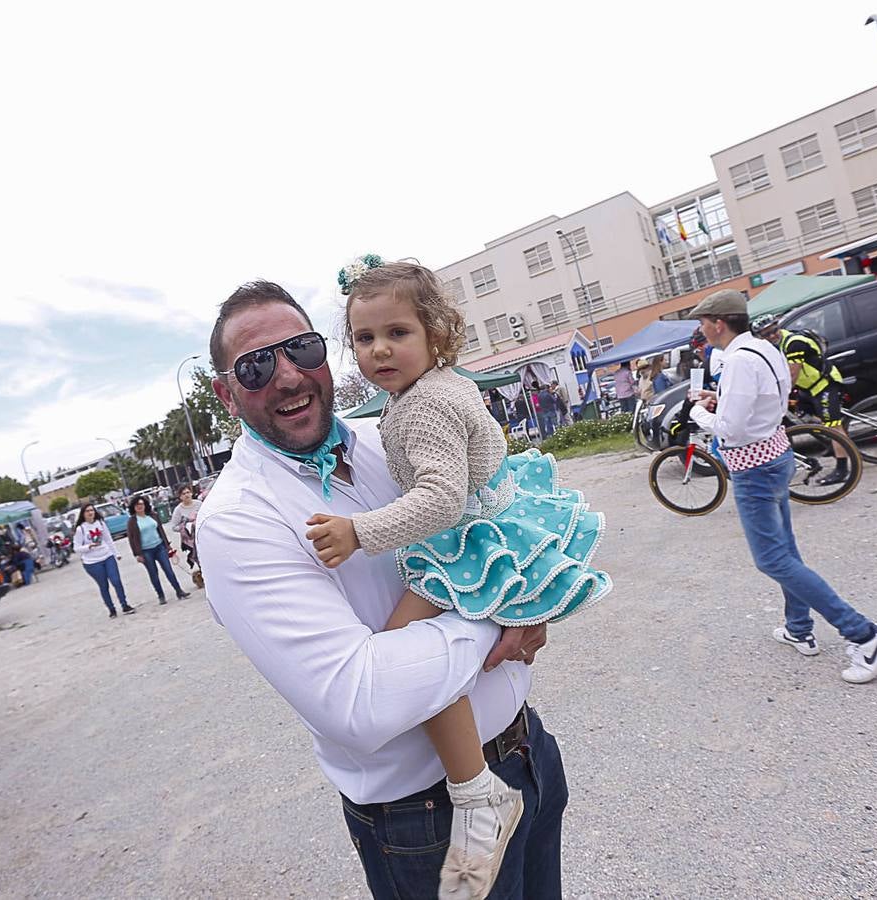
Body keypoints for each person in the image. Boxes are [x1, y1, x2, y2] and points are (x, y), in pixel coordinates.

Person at [199, 279, 570, 900]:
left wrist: (532, 605)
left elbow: (481, 515)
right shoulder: (237, 520)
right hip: (426, 821)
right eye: (257, 364)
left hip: (528, 754)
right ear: (226, 394)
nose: (288, 375)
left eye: (303, 349)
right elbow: (357, 697)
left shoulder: (389, 435)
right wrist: (497, 612)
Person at [305, 258, 610, 895]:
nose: (380, 350)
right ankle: (478, 794)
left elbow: (440, 497)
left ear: (435, 335)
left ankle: (474, 794)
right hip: (492, 519)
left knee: (404, 656)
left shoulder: (422, 408)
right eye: (364, 339)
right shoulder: (438, 386)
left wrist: (357, 533)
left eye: (397, 333)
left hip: (468, 536)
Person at [687, 290, 877, 684]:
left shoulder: (736, 361)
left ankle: (865, 634)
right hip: (778, 456)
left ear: (718, 323)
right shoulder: (766, 349)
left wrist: (699, 410)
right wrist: (720, 398)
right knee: (785, 550)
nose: (702, 330)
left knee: (772, 558)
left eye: (703, 323)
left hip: (754, 467)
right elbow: (771, 397)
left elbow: (730, 429)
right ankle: (798, 627)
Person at [751, 314, 851, 485]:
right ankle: (833, 443)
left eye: (774, 330)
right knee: (802, 416)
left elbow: (792, 374)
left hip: (825, 384)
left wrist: (778, 396)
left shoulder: (793, 343)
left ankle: (842, 468)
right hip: (809, 387)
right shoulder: (778, 346)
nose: (772, 336)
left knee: (833, 427)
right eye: (766, 334)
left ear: (778, 325)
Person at [126, 495, 191, 604]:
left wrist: (167, 545)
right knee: (153, 573)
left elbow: (160, 530)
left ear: (145, 504)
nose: (140, 506)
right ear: (133, 507)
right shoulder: (132, 521)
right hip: (146, 551)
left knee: (168, 569)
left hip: (159, 546)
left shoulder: (153, 515)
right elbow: (132, 539)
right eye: (137, 505)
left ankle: (179, 591)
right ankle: (160, 595)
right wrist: (137, 554)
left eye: (141, 504)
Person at [73, 503, 134, 618]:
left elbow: (108, 539)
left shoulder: (100, 523)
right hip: (92, 562)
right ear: (83, 514)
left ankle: (124, 604)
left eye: (92, 510)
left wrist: (116, 553)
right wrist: (88, 547)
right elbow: (76, 548)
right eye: (87, 511)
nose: (90, 513)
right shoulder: (80, 529)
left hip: (107, 556)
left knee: (116, 580)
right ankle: (111, 608)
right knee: (103, 585)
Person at [167, 485, 203, 582]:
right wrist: (185, 527)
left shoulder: (199, 504)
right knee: (198, 557)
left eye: (188, 492)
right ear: (180, 497)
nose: (186, 495)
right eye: (184, 494)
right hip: (190, 540)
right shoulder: (178, 510)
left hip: (203, 535)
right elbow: (174, 527)